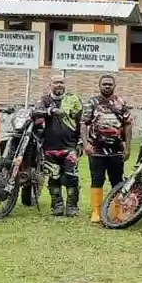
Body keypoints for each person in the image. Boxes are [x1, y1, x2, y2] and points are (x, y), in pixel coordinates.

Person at [81, 73, 133, 226]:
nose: (107, 86)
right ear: (99, 86)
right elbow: (84, 124)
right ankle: (96, 211)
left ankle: (117, 211)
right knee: (97, 180)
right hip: (96, 150)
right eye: (104, 84)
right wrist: (85, 144)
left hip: (116, 150)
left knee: (117, 181)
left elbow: (128, 124)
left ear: (114, 86)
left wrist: (128, 147)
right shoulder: (91, 103)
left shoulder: (121, 103)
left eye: (110, 84)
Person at [37, 72, 84, 217]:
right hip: (49, 147)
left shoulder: (73, 100)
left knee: (71, 177)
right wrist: (51, 111)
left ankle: (72, 206)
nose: (59, 85)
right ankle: (57, 205)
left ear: (65, 85)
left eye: (61, 82)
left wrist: (81, 141)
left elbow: (81, 122)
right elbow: (35, 112)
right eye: (56, 82)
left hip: (70, 147)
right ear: (50, 85)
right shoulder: (44, 100)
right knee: (53, 177)